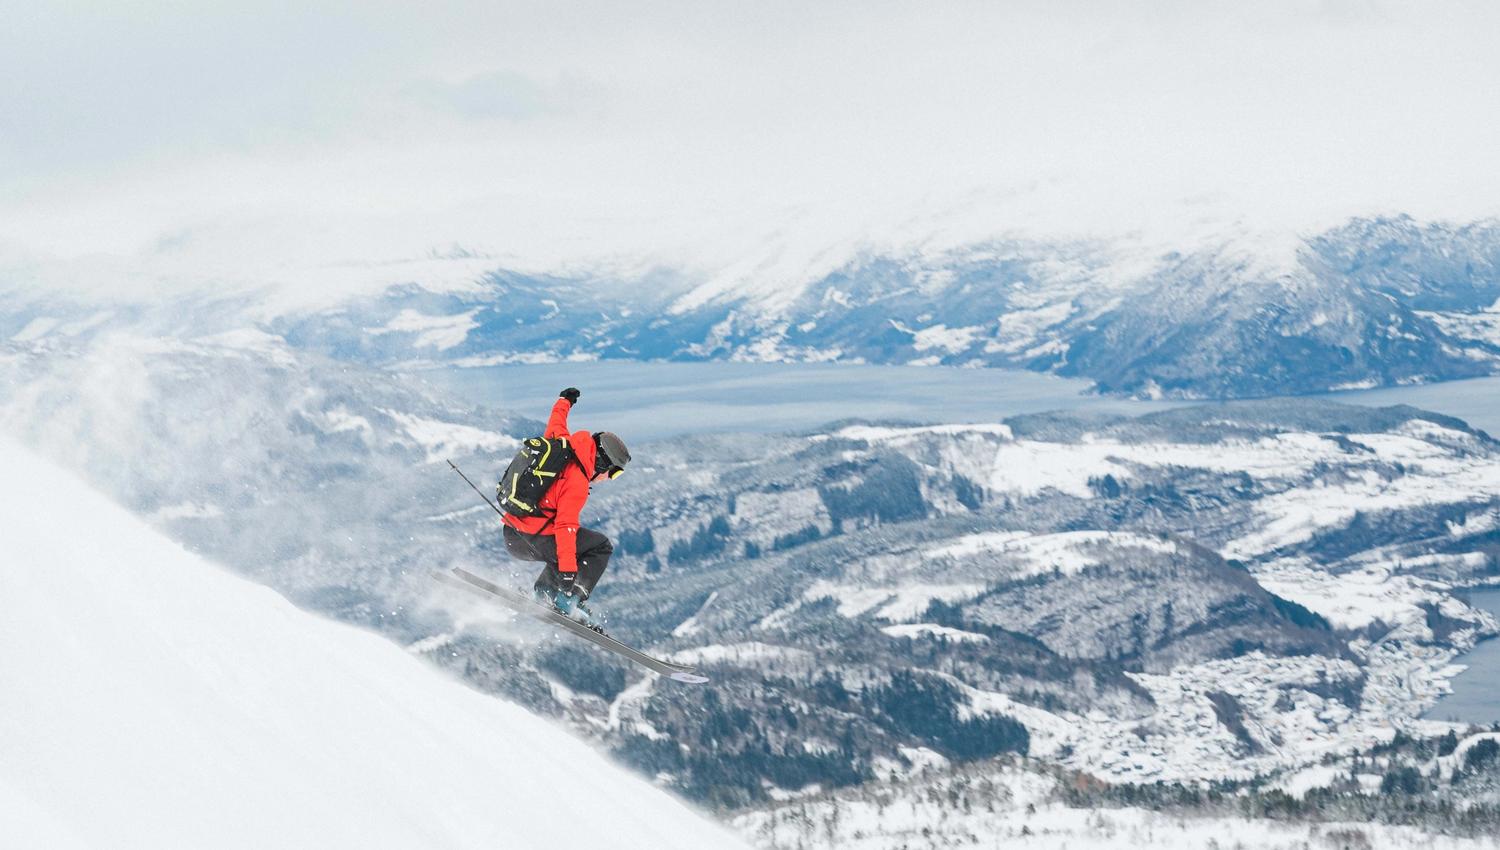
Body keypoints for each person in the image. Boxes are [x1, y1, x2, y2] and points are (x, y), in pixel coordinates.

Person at [501, 387, 630, 627]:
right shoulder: (577, 480)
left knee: (568, 549)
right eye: (613, 474)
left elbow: (556, 421)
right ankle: (568, 600)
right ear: (602, 464)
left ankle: (544, 593)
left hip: (512, 533)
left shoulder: (562, 445)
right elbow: (566, 527)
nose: (608, 479)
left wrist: (565, 401)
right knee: (599, 546)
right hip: (530, 539)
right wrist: (569, 577)